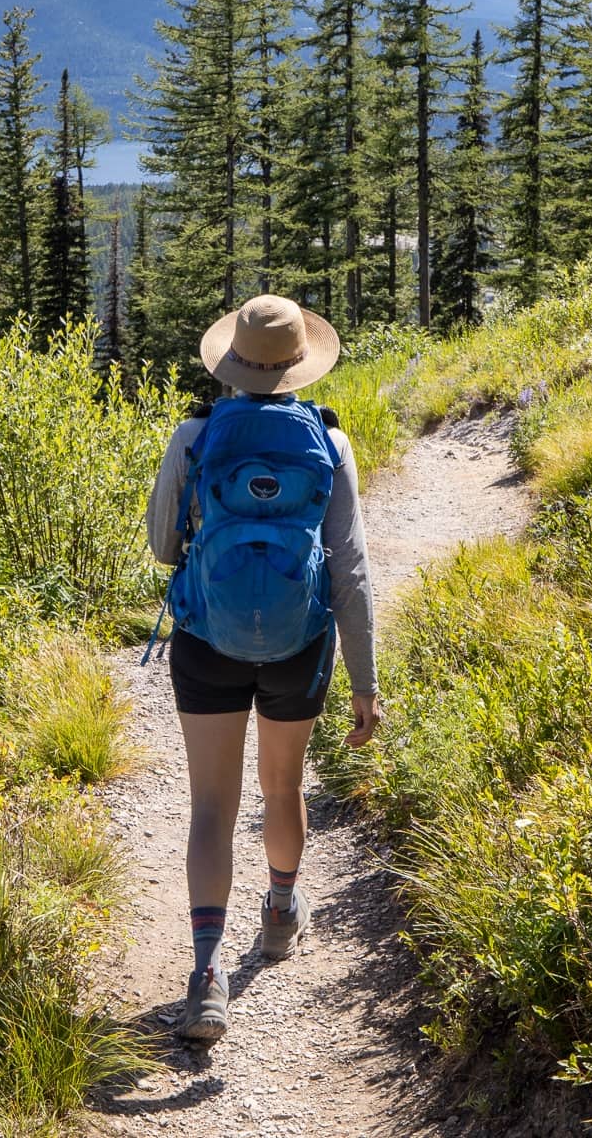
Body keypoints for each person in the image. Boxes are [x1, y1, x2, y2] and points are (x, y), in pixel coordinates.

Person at [144, 293, 382, 1043]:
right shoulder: (331, 445)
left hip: (207, 640)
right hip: (298, 644)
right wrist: (367, 682)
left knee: (210, 807)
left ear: (232, 363)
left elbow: (160, 546)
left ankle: (207, 974)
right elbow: (351, 571)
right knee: (282, 787)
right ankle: (280, 911)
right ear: (299, 367)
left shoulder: (194, 436)